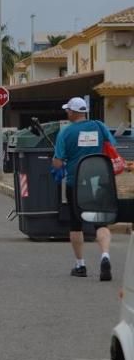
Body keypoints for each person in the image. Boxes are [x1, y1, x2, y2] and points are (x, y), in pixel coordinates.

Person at [52, 97, 116, 281]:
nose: (67, 113)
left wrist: (58, 164)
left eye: (68, 110)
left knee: (76, 223)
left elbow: (57, 162)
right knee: (101, 223)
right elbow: (111, 145)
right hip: (99, 181)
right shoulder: (99, 126)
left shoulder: (65, 133)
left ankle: (80, 265)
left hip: (75, 183)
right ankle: (105, 255)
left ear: (73, 112)